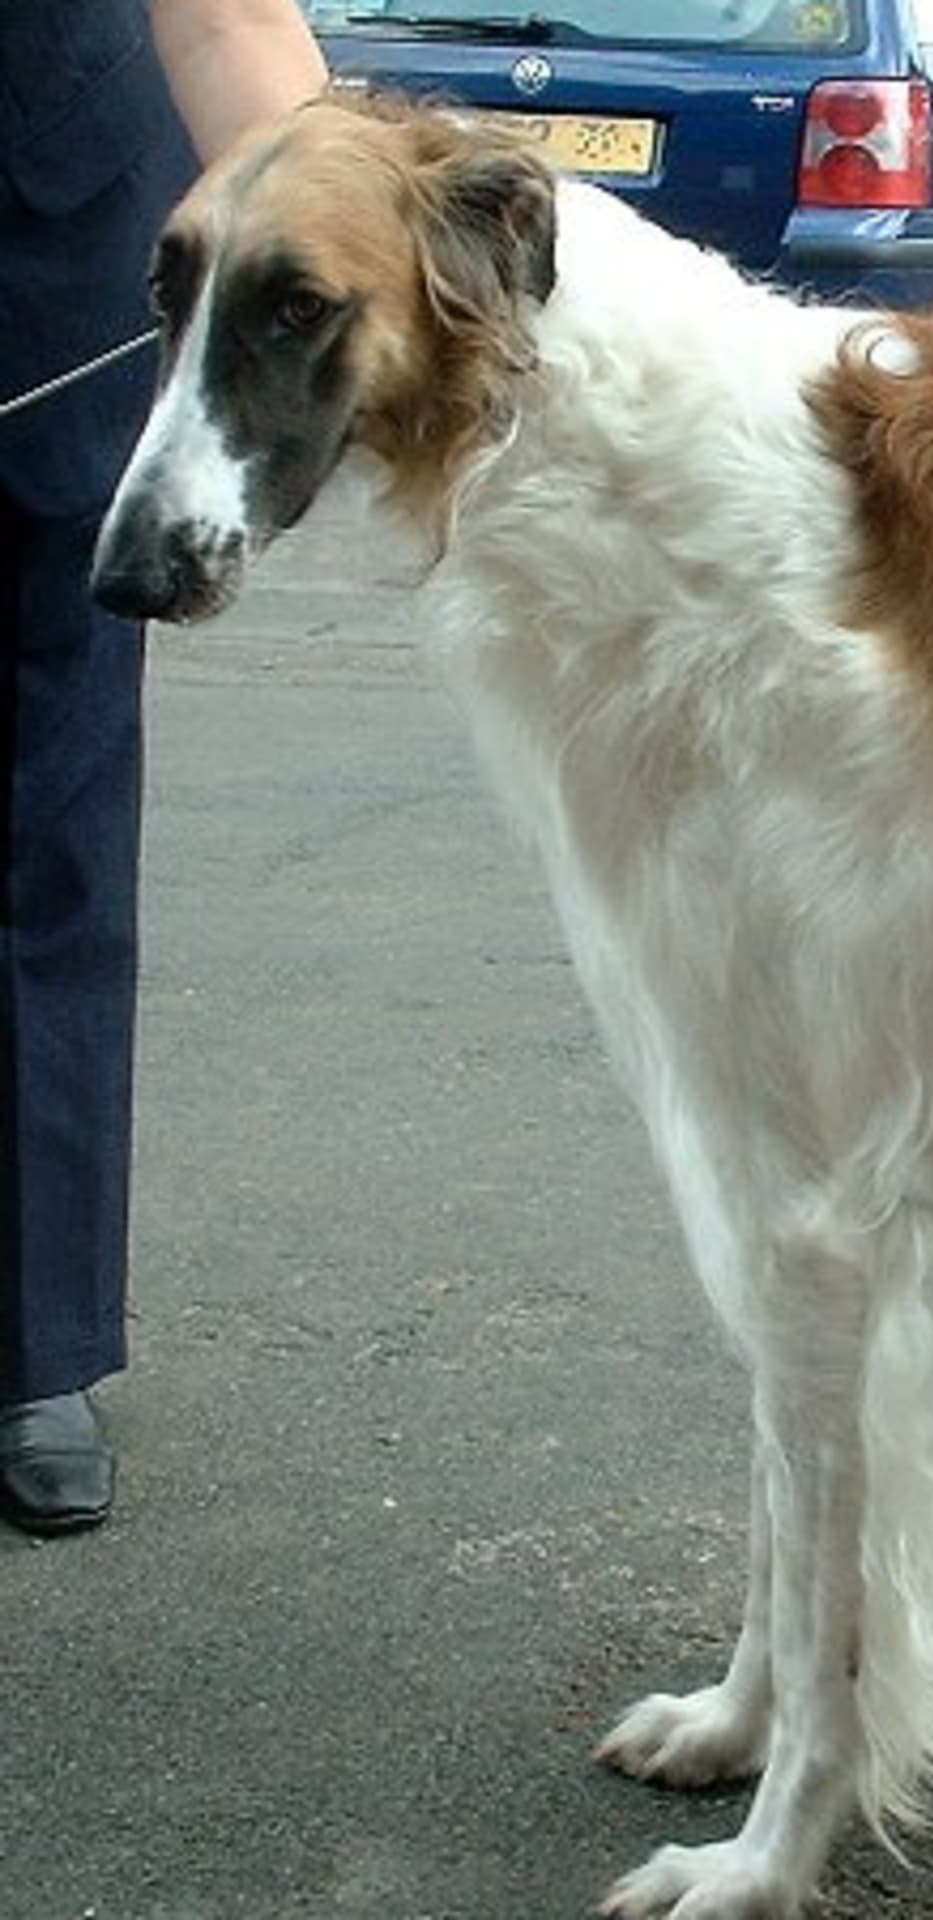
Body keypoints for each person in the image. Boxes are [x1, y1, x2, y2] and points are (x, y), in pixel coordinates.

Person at [0, 0, 324, 1534]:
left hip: (44, 231)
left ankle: (27, 1338)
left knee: (42, 818)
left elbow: (222, 12)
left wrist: (355, 204)